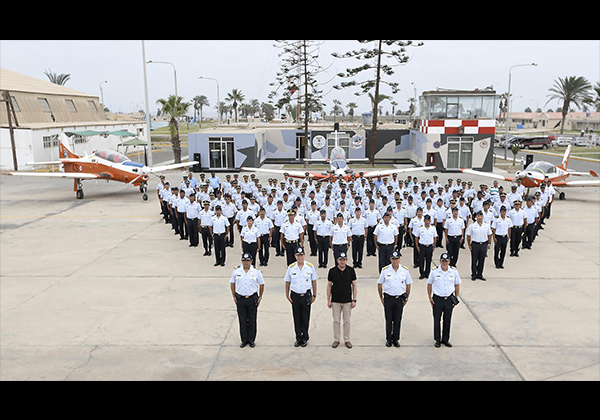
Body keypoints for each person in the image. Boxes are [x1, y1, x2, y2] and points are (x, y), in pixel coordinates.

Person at [284, 247, 318, 347]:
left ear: (304, 255)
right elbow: (287, 282)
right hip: (295, 295)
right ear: (295, 256)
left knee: (305, 317)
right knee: (296, 317)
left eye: (301, 255)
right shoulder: (291, 267)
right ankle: (298, 337)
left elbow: (314, 281)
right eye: (298, 255)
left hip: (306, 295)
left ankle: (305, 338)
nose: (300, 257)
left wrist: (314, 294)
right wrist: (287, 294)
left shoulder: (310, 267)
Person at [377, 251, 412, 347]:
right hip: (388, 298)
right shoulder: (385, 270)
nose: (395, 261)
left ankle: (396, 339)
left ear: (399, 259)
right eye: (393, 259)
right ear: (390, 259)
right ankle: (388, 339)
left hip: (399, 299)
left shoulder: (405, 271)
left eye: (397, 259)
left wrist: (406, 298)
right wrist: (381, 297)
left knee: (397, 320)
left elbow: (408, 285)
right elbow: (379, 284)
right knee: (388, 320)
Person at [230, 253, 265, 348]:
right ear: (241, 261)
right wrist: (234, 296)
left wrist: (260, 297)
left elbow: (262, 284)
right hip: (240, 299)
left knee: (252, 320)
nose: (246, 262)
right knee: (242, 320)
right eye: (244, 261)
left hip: (252, 298)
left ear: (251, 261)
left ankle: (251, 340)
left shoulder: (256, 271)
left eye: (248, 261)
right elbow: (232, 283)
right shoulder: (236, 271)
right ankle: (244, 340)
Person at [427, 252, 461, 348]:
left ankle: (445, 339)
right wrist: (430, 297)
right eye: (443, 261)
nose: (444, 263)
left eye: (446, 261)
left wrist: (456, 297)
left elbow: (457, 285)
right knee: (437, 320)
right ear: (440, 261)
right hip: (437, 299)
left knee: (447, 320)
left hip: (449, 299)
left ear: (449, 261)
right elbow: (429, 284)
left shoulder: (454, 272)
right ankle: (437, 340)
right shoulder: (434, 272)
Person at [326, 252, 357, 349]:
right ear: (337, 260)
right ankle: (336, 339)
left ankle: (347, 339)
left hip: (347, 300)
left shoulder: (351, 270)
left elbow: (354, 285)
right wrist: (328, 300)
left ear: (346, 260)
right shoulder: (332, 271)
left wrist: (354, 299)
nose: (342, 261)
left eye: (344, 260)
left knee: (347, 321)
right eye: (340, 259)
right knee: (336, 321)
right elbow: (329, 286)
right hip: (335, 300)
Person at [466, 210, 493, 281]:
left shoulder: (486, 225)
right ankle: (474, 274)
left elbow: (489, 235)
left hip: (483, 244)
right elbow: (468, 236)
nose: (480, 217)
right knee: (474, 260)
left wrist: (489, 244)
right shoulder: (472, 226)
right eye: (478, 216)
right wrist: (469, 245)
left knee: (482, 260)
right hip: (475, 244)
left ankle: (480, 274)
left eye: (481, 216)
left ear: (483, 217)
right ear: (475, 217)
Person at [414, 214, 437, 279]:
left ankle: (427, 273)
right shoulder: (420, 228)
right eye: (426, 220)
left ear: (430, 221)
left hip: (429, 246)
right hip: (422, 246)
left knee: (428, 260)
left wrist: (434, 246)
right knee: (421, 261)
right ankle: (422, 273)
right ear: (424, 220)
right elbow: (416, 237)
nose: (427, 221)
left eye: (428, 220)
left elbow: (435, 237)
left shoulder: (433, 228)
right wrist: (417, 246)